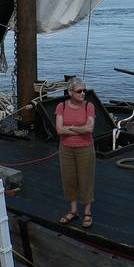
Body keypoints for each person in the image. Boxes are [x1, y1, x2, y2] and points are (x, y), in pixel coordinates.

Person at [56, 77, 96, 228]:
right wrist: (79, 129)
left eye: (84, 90)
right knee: (69, 179)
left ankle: (87, 212)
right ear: (70, 92)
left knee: (86, 179)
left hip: (85, 148)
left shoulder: (89, 106)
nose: (83, 93)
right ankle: (73, 210)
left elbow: (89, 129)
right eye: (79, 91)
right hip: (66, 148)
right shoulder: (61, 107)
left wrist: (70, 128)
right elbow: (59, 130)